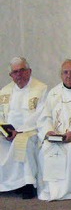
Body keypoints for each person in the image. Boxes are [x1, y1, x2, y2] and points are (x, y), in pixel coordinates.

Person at [36, 59, 71, 201]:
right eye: (65, 72)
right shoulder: (53, 93)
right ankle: (50, 190)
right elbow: (45, 116)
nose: (69, 76)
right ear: (61, 75)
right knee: (45, 149)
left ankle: (70, 191)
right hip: (56, 135)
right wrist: (49, 131)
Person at [0, 57, 48, 199]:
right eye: (15, 72)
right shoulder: (4, 91)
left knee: (23, 142)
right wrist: (5, 130)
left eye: (22, 70)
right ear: (11, 75)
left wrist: (19, 131)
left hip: (30, 130)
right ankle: (5, 183)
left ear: (29, 71)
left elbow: (40, 113)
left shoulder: (41, 88)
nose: (19, 75)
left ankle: (27, 184)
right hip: (7, 133)